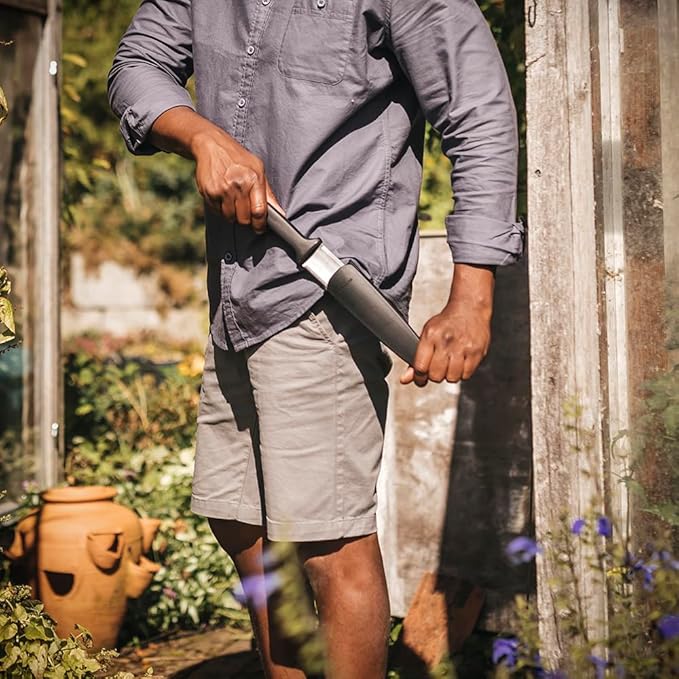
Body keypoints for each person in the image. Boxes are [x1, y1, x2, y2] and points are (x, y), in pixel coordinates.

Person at [108, 1, 522, 676]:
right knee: (241, 524)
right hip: (235, 287)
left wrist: (471, 297)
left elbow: (477, 113)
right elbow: (137, 63)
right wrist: (200, 135)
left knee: (327, 545)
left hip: (326, 293)